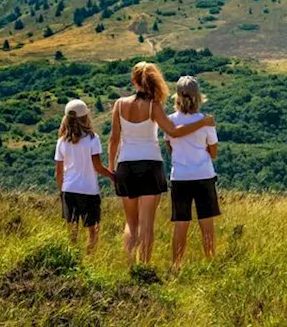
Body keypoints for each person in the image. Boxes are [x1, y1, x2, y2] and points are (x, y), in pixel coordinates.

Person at [108, 62, 214, 267]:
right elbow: (173, 132)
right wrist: (202, 123)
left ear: (133, 81)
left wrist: (112, 169)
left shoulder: (119, 104)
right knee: (147, 223)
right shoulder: (153, 106)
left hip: (125, 165)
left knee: (131, 223)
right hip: (150, 164)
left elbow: (114, 139)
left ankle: (130, 266)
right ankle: (144, 266)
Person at [165, 75, 220, 274]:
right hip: (204, 175)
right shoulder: (206, 121)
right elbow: (213, 152)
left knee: (181, 223)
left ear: (177, 96)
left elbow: (170, 146)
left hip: (180, 176)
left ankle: (176, 265)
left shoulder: (169, 121)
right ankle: (210, 263)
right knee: (206, 222)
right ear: (198, 96)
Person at [54, 99, 115, 253]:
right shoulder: (93, 139)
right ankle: (90, 258)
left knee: (72, 229)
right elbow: (97, 167)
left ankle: (73, 258)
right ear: (85, 117)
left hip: (68, 189)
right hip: (88, 190)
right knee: (93, 229)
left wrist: (61, 192)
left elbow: (58, 173)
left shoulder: (61, 142)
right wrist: (113, 176)